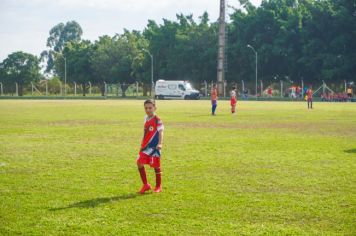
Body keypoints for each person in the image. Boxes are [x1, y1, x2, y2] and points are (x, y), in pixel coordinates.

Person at [136, 99, 164, 194]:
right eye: (146, 108)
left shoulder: (158, 120)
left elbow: (161, 132)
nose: (148, 110)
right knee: (139, 163)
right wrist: (142, 143)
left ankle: (158, 186)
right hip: (145, 146)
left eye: (150, 108)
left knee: (156, 166)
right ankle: (146, 185)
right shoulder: (145, 118)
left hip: (154, 147)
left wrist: (160, 143)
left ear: (155, 108)